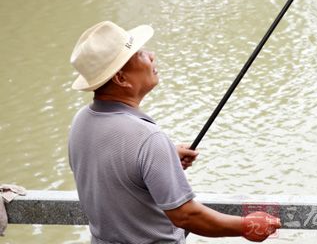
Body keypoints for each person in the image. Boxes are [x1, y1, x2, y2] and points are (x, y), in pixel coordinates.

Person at [68, 21, 281, 244]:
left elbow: (116, 177)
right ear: (121, 78)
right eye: (139, 54)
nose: (151, 55)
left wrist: (164, 159)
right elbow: (185, 214)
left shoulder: (81, 121)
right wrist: (247, 226)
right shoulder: (147, 138)